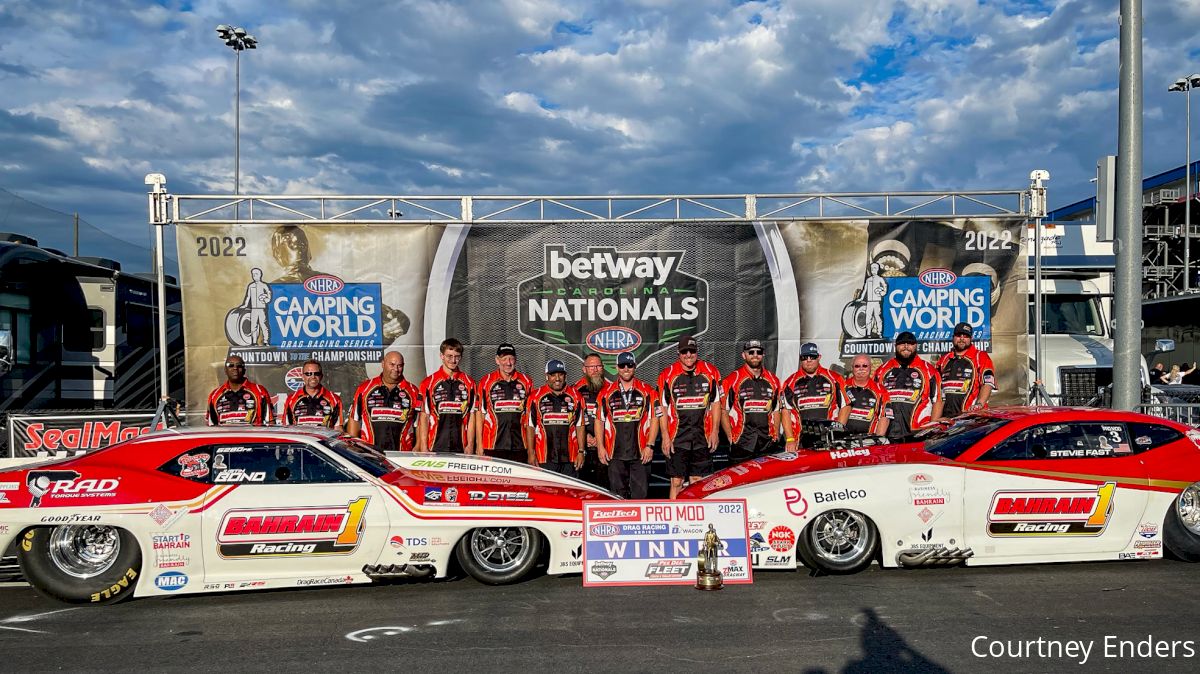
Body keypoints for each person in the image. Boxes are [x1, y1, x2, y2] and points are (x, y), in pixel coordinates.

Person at [658, 336, 722, 500]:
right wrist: (665, 436)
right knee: (677, 482)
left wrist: (715, 431)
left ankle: (697, 521)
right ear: (678, 353)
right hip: (677, 437)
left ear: (697, 352)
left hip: (703, 436)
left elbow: (716, 404)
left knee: (697, 481)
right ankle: (674, 519)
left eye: (692, 351)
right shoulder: (667, 374)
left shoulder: (711, 371)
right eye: (684, 351)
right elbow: (662, 408)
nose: (688, 355)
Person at [596, 351, 660, 499]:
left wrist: (650, 446)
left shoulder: (648, 391)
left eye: (629, 365)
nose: (626, 369)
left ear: (635, 367)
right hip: (615, 454)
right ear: (617, 368)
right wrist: (600, 447)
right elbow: (599, 421)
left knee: (641, 496)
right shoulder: (606, 393)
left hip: (640, 453)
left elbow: (655, 418)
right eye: (622, 365)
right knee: (618, 497)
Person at [720, 339, 782, 463]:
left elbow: (776, 410)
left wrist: (775, 435)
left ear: (763, 354)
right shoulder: (732, 380)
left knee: (767, 481)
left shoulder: (773, 380)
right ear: (744, 355)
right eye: (751, 352)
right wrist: (731, 437)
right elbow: (723, 411)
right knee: (739, 481)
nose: (755, 355)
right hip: (741, 442)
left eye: (758, 352)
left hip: (766, 442)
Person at [874, 331, 943, 442]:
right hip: (888, 432)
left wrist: (932, 428)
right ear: (895, 346)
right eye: (902, 343)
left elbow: (938, 400)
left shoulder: (929, 370)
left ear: (916, 346)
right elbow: (875, 401)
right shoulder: (882, 370)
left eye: (910, 344)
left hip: (918, 432)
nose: (906, 347)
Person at [346, 352, 419, 451]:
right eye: (392, 364)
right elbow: (354, 420)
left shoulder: (413, 391)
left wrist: (418, 446)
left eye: (400, 366)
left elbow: (419, 423)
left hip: (402, 455)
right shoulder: (365, 388)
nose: (396, 369)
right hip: (371, 454)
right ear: (383, 364)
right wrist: (353, 447)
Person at [781, 342, 848, 449]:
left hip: (829, 439)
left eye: (812, 356)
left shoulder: (834, 378)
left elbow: (846, 406)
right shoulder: (790, 382)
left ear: (819, 357)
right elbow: (785, 412)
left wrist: (837, 432)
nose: (808, 360)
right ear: (800, 359)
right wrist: (790, 439)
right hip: (801, 440)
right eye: (804, 357)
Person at [525, 359, 586, 475]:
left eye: (560, 374)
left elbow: (580, 425)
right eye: (553, 375)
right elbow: (530, 426)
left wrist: (581, 452)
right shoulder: (535, 397)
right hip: (544, 457)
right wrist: (531, 453)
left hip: (570, 457)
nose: (557, 378)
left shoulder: (576, 396)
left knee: (570, 492)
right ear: (547, 376)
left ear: (565, 376)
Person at [475, 343, 534, 463]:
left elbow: (531, 418)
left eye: (511, 358)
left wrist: (531, 450)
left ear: (515, 360)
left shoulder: (526, 381)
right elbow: (480, 414)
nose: (508, 363)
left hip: (520, 444)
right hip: (492, 444)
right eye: (504, 359)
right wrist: (479, 445)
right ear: (497, 360)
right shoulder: (486, 381)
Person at [417, 338, 475, 453]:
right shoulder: (428, 383)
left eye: (457, 356)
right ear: (441, 356)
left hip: (461, 445)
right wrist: (423, 446)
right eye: (449, 356)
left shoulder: (469, 383)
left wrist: (470, 444)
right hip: (435, 445)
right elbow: (424, 417)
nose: (453, 360)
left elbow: (472, 416)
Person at [936, 322, 997, 417]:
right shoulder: (944, 359)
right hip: (946, 418)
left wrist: (979, 404)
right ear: (953, 337)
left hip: (970, 417)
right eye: (958, 335)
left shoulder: (981, 356)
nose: (962, 339)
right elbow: (936, 389)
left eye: (965, 336)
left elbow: (988, 383)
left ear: (971, 338)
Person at [574, 353, 611, 488]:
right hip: (582, 448)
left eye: (598, 366)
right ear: (584, 369)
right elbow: (570, 419)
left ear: (603, 368)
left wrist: (600, 439)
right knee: (584, 488)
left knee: (605, 488)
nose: (595, 370)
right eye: (591, 367)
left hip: (606, 448)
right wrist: (585, 437)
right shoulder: (575, 390)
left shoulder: (612, 389)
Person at [205, 355, 274, 426]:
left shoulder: (260, 391)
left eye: (239, 365)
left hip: (252, 436)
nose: (235, 368)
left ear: (244, 370)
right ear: (225, 370)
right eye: (231, 365)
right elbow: (211, 425)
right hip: (225, 437)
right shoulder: (214, 395)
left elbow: (270, 422)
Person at [283, 359, 342, 428]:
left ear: (321, 376)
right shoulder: (291, 399)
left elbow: (338, 428)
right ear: (302, 376)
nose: (313, 377)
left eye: (316, 374)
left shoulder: (334, 399)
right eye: (308, 374)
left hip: (325, 438)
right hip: (300, 438)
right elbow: (286, 428)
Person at [838, 355, 889, 436]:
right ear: (852, 368)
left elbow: (884, 417)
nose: (861, 369)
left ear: (870, 367)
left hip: (869, 440)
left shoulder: (881, 390)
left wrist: (878, 440)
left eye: (865, 366)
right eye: (857, 366)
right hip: (843, 439)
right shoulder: (842, 386)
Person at [240, 268, 271, 346]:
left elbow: (269, 295)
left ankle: (266, 341)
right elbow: (248, 296)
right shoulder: (251, 286)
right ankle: (254, 342)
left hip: (261, 309)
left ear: (260, 275)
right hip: (253, 309)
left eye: (256, 274)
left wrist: (265, 300)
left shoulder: (264, 285)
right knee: (253, 326)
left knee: (263, 325)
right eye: (253, 274)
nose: (254, 276)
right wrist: (245, 305)